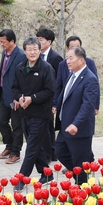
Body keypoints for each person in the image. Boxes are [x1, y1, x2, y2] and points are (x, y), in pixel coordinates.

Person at [12, 37, 56, 191]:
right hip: (24, 113)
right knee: (35, 145)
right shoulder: (19, 67)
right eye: (29, 49)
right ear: (24, 51)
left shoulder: (46, 68)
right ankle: (46, 172)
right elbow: (15, 88)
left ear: (39, 50)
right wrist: (20, 98)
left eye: (35, 49)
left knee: (31, 147)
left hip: (41, 114)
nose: (32, 52)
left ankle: (22, 178)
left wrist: (32, 98)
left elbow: (50, 91)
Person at [54, 47, 99, 185]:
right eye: (67, 58)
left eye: (71, 58)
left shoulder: (90, 79)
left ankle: (84, 193)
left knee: (80, 163)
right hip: (65, 125)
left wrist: (76, 124)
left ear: (81, 60)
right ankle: (80, 179)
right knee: (60, 151)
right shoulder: (72, 74)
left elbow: (87, 105)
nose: (68, 61)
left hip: (79, 129)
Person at [0, 29, 27, 165]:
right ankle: (9, 145)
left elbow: (23, 78)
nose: (2, 44)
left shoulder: (20, 55)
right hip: (3, 94)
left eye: (4, 42)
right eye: (1, 42)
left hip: (15, 97)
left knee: (16, 126)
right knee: (1, 121)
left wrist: (19, 96)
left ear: (12, 41)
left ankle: (15, 152)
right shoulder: (4, 53)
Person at [54, 36, 100, 116]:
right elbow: (59, 86)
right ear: (67, 49)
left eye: (78, 47)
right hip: (66, 105)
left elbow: (95, 86)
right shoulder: (62, 64)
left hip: (82, 102)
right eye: (72, 47)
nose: (75, 50)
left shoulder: (89, 63)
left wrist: (96, 105)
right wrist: (55, 104)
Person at [36, 28, 63, 161]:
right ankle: (46, 151)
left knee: (48, 127)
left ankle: (51, 152)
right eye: (38, 39)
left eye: (41, 40)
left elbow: (60, 80)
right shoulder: (35, 56)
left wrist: (55, 102)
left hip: (50, 98)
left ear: (49, 42)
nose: (38, 42)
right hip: (38, 98)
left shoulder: (55, 57)